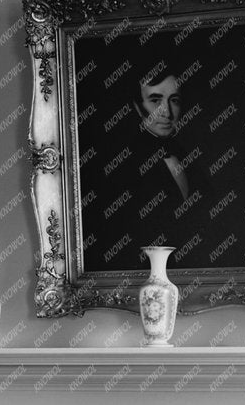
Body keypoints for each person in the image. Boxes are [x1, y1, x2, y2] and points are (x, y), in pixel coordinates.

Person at [87, 68, 211, 273]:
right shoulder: (121, 166)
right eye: (155, 100)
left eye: (174, 100)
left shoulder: (188, 156)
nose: (167, 112)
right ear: (137, 107)